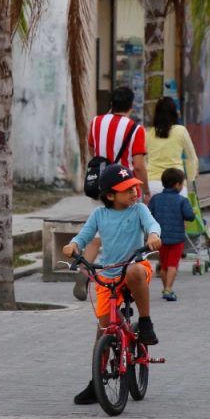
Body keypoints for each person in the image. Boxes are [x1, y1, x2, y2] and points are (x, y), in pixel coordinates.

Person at [62, 164, 162, 405]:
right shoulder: (99, 215)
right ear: (110, 196)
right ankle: (96, 382)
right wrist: (73, 245)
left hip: (133, 269)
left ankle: (145, 322)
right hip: (108, 276)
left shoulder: (139, 210)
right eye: (127, 190)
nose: (134, 192)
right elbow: (84, 236)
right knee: (103, 331)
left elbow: (152, 225)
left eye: (135, 187)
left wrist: (153, 236)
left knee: (135, 270)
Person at [75, 86, 149, 301]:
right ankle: (125, 278)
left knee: (97, 232)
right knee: (129, 234)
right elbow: (138, 164)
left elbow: (92, 150)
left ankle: (84, 272)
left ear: (111, 104)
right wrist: (145, 190)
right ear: (131, 105)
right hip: (125, 188)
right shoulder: (136, 129)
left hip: (101, 185)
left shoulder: (96, 122)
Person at [147, 168, 196, 301]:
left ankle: (166, 288)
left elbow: (148, 215)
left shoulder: (155, 199)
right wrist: (193, 213)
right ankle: (168, 289)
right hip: (177, 239)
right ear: (177, 184)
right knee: (172, 265)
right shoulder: (182, 200)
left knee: (163, 265)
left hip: (160, 238)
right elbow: (190, 216)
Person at [145, 96, 199, 198]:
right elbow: (191, 157)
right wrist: (191, 176)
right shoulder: (181, 131)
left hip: (153, 183)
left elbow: (144, 160)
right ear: (174, 113)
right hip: (177, 184)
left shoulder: (148, 133)